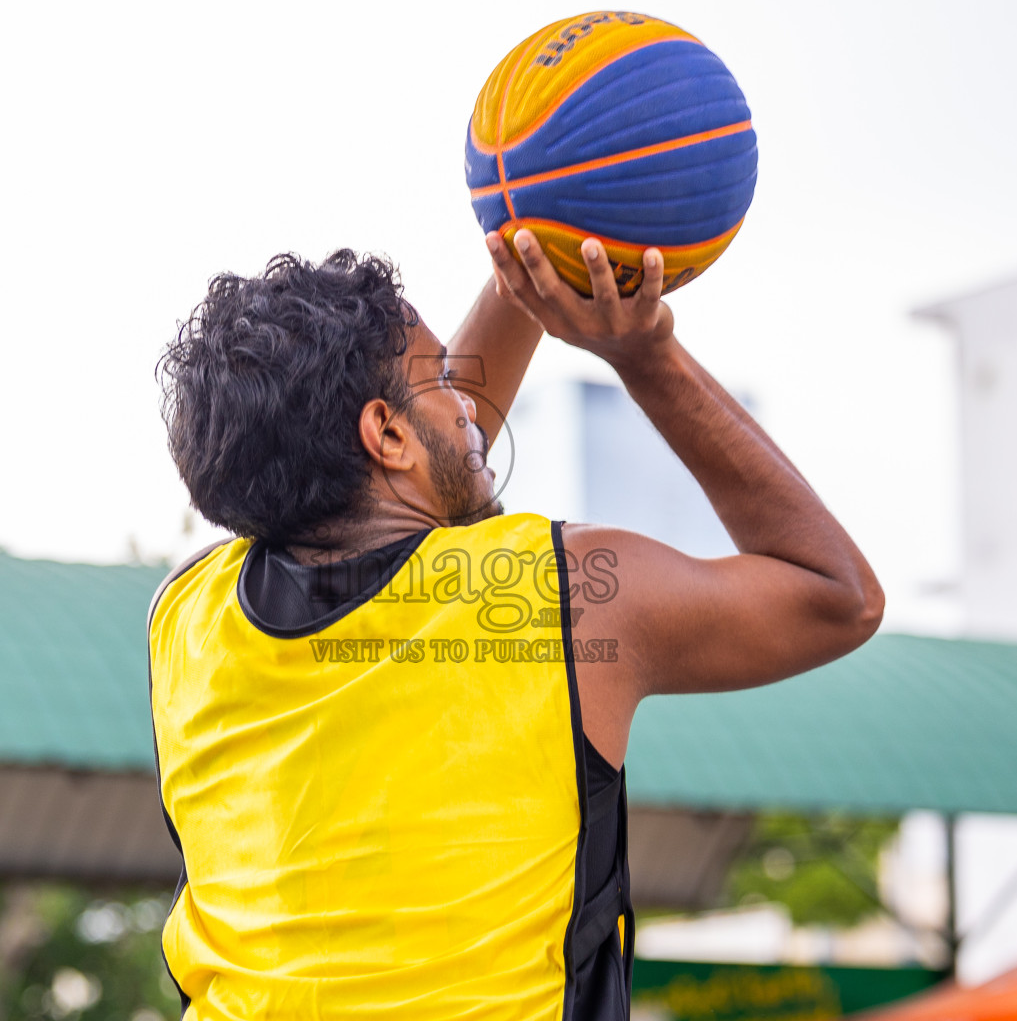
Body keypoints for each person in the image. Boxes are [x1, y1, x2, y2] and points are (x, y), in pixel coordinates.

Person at [148, 230, 883, 1020]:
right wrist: (644, 353)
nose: (473, 400)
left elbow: (395, 498)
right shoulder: (565, 595)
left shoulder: (186, 617)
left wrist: (530, 266)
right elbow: (837, 595)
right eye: (444, 381)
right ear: (387, 435)